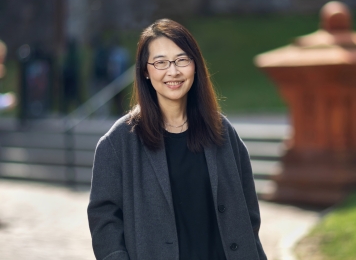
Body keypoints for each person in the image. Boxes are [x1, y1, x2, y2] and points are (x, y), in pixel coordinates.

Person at [87, 19, 267, 260]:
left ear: (195, 65)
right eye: (160, 62)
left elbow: (248, 215)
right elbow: (104, 223)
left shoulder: (222, 132)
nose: (173, 71)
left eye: (182, 60)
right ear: (145, 71)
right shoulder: (118, 143)